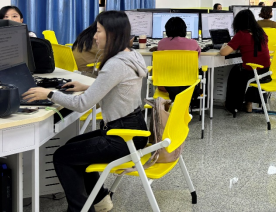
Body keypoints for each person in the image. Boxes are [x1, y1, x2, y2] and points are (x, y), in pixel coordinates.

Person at [22, 11, 148, 213]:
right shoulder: (132, 55)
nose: (95, 36)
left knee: (62, 156)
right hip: (135, 129)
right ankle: (100, 200)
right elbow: (118, 86)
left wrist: (49, 93)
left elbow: (82, 104)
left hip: (121, 136)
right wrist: (88, 86)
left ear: (112, 34)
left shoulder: (115, 64)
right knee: (73, 146)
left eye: (98, 31)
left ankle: (80, 209)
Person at [220, 10, 271, 114]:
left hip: (252, 71)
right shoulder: (261, 32)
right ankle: (249, 103)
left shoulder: (241, 34)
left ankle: (233, 105)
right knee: (251, 73)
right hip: (265, 71)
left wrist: (224, 46)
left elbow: (223, 53)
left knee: (235, 71)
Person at [151, 17, 202, 102]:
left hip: (165, 86)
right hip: (188, 86)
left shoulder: (161, 43)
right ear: (184, 30)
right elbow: (197, 55)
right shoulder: (193, 43)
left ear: (167, 30)